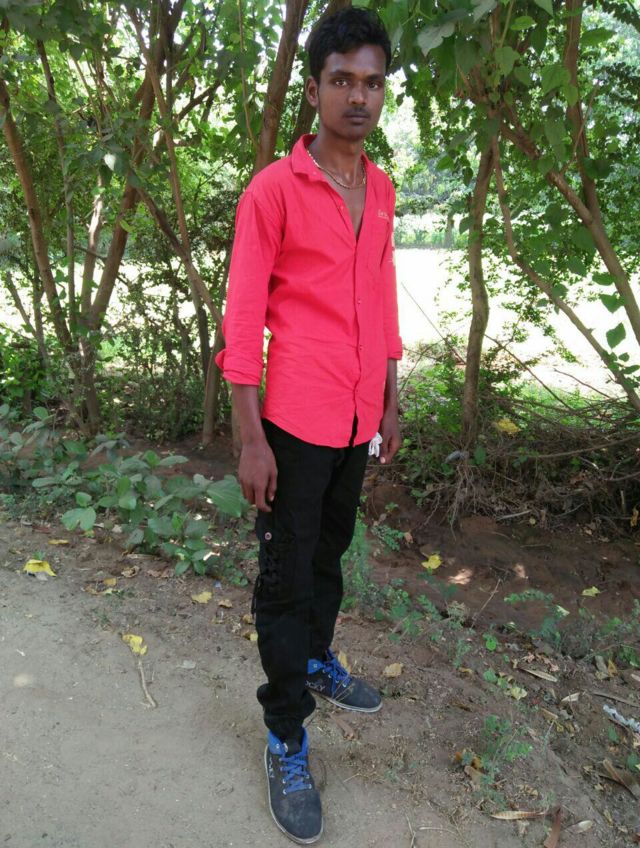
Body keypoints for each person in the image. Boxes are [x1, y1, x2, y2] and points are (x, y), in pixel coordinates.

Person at [215, 7, 401, 843]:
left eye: (372, 82)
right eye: (342, 80)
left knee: (330, 553)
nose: (358, 97)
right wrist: (251, 437)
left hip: (356, 416)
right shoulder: (273, 191)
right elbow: (242, 316)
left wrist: (391, 394)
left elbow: (382, 297)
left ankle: (317, 659)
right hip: (291, 422)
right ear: (316, 86)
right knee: (287, 579)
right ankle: (285, 733)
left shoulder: (382, 190)